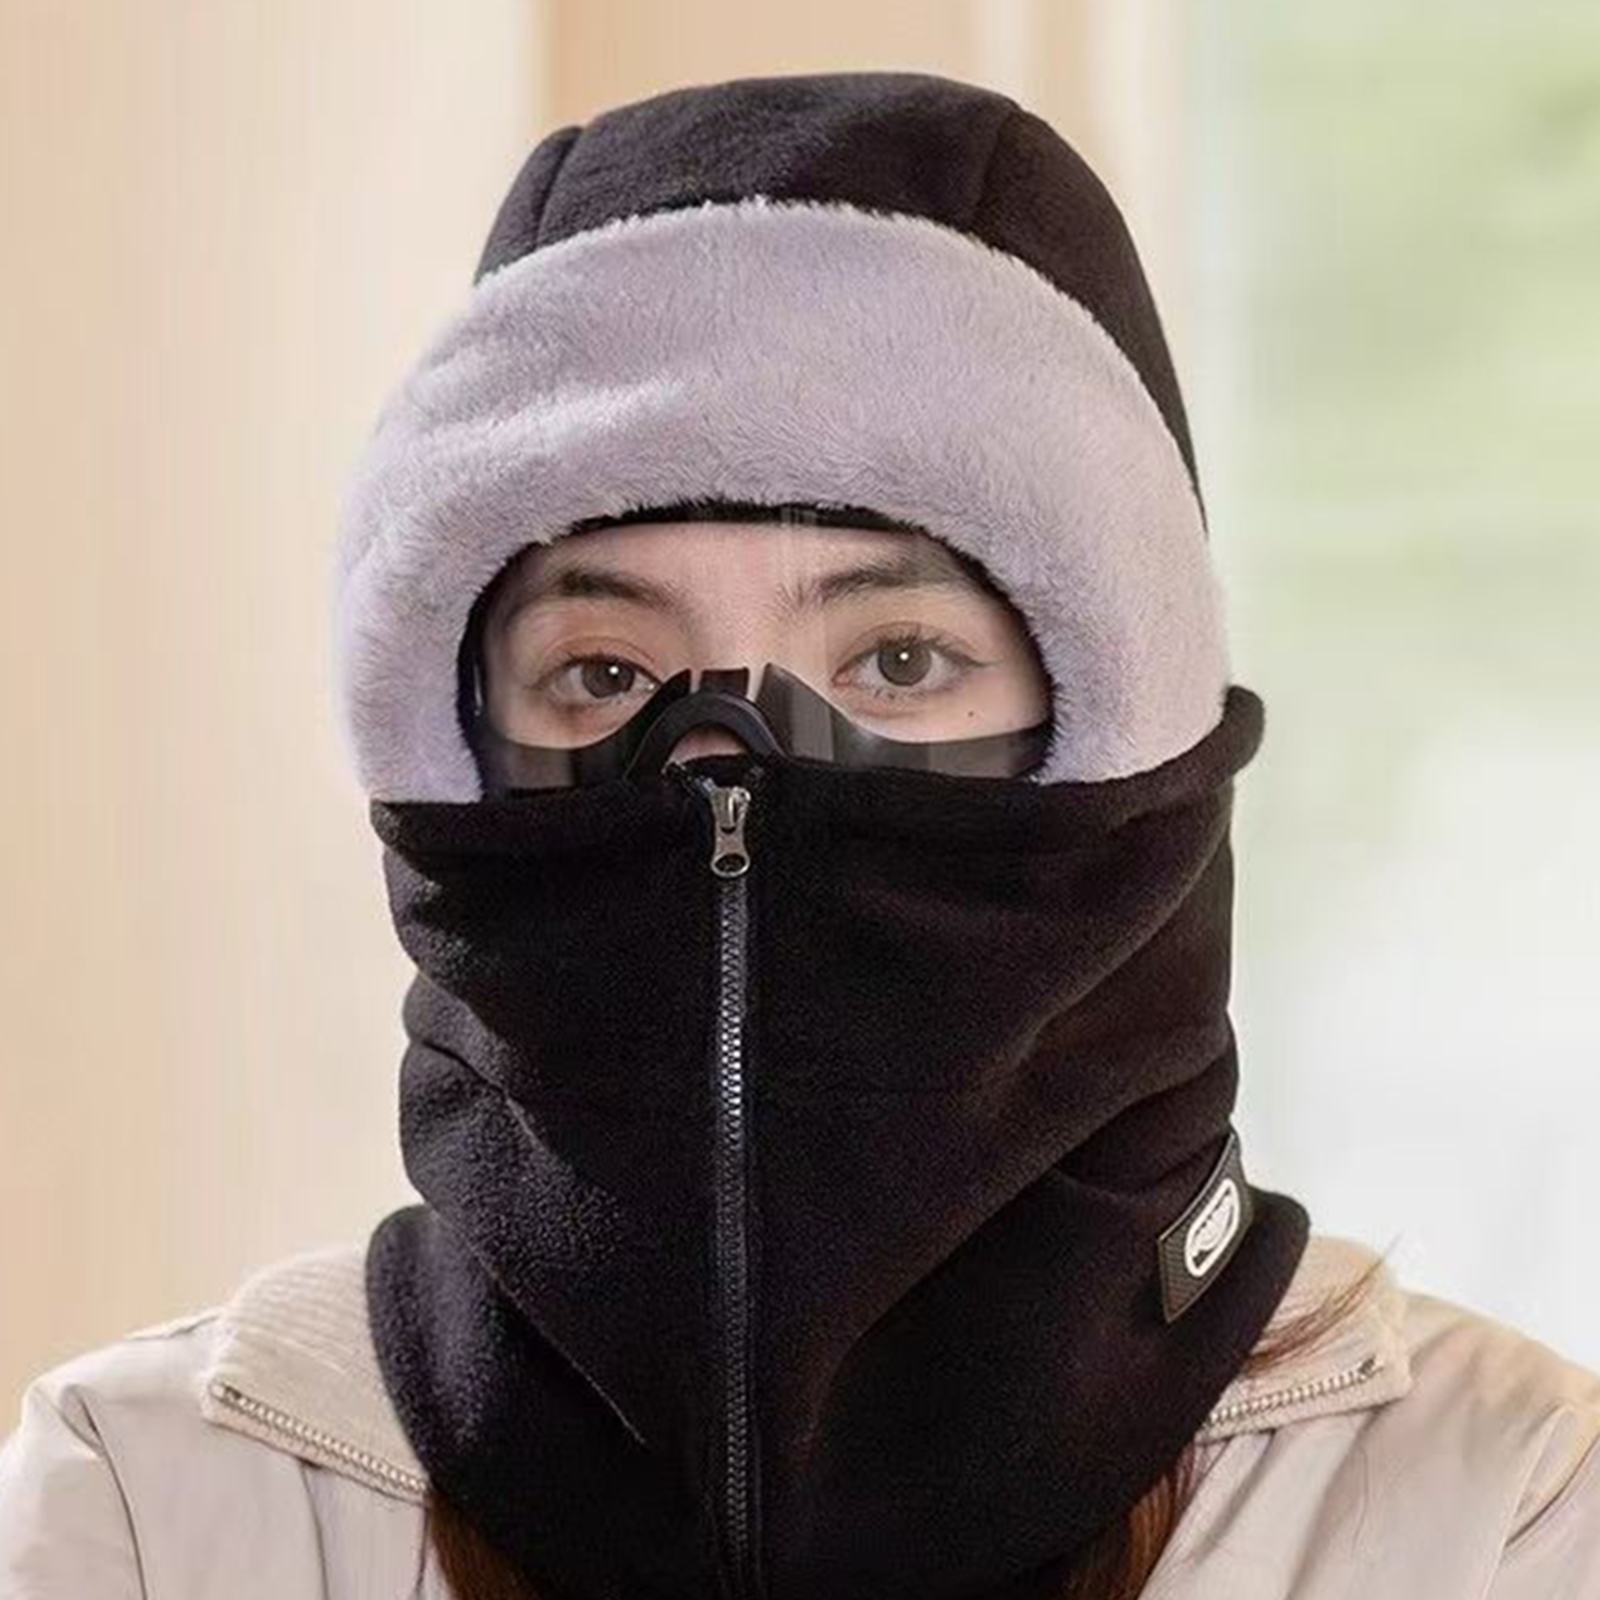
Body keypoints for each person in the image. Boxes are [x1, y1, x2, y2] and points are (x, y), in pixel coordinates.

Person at [2, 68, 1598, 1600]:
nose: (732, 771)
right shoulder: (150, 1497)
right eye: (605, 674)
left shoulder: (1500, 1508)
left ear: (1118, 724)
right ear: (456, 748)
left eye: (899, 661)